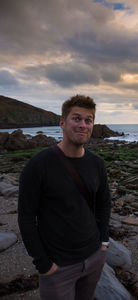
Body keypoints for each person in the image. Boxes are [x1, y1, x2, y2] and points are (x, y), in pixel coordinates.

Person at [18, 95, 111, 300]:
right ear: (62, 122)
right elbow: (25, 218)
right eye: (76, 118)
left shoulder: (97, 164)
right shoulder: (38, 165)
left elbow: (104, 203)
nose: (83, 125)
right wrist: (44, 264)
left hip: (94, 256)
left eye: (88, 120)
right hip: (58, 267)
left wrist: (103, 244)